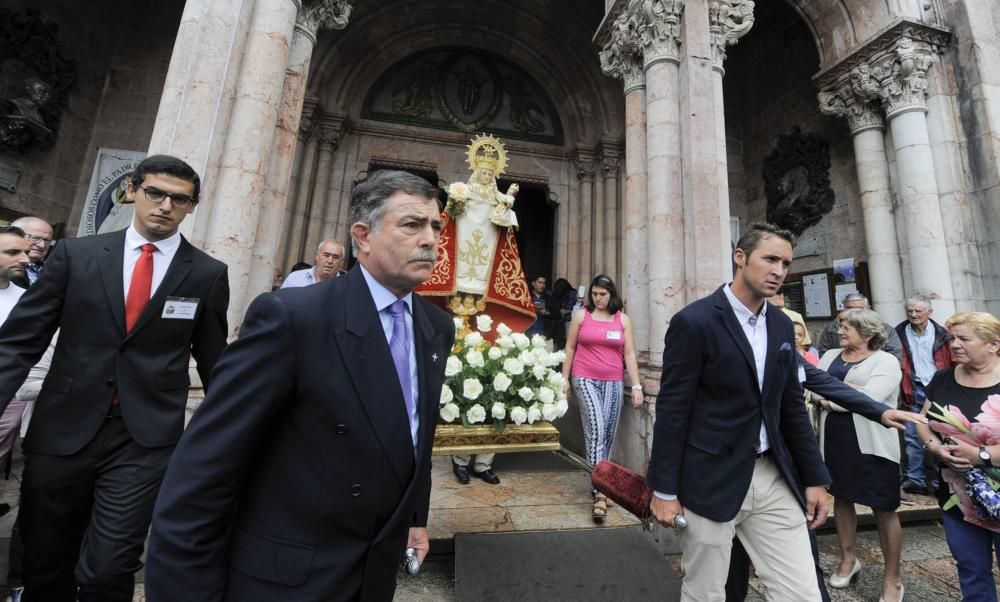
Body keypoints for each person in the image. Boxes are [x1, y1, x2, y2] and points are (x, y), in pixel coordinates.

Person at [145, 169, 455, 600]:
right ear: (362, 236)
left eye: (436, 226)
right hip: (288, 577)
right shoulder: (292, 317)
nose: (430, 239)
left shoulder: (437, 327)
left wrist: (415, 517)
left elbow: (415, 436)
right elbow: (206, 468)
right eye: (412, 225)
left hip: (372, 574)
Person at [0, 154, 229, 602]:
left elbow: (214, 360)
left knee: (109, 567)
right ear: (132, 191)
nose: (165, 205)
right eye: (155, 193)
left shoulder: (206, 274)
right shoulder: (75, 256)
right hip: (63, 429)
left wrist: (228, 434)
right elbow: (20, 343)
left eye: (178, 199)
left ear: (191, 207)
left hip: (143, 440)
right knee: (47, 561)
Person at [647, 222, 830, 600]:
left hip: (771, 474)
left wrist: (815, 477)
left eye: (786, 263)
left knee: (802, 593)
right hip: (711, 476)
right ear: (740, 257)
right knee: (707, 592)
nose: (779, 271)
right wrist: (663, 488)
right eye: (770, 259)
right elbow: (672, 410)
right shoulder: (694, 322)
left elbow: (790, 405)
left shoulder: (781, 325)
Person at [725, 351, 927, 602]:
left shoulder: (776, 328)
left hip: (779, 469)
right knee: (724, 570)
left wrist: (879, 411)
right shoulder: (702, 325)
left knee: (803, 572)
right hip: (723, 470)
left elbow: (815, 386)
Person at [814, 308, 903, 602]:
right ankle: (848, 559)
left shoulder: (886, 361)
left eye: (847, 327)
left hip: (873, 445)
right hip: (836, 442)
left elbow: (868, 400)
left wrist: (835, 395)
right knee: (842, 498)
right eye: (841, 325)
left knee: (884, 508)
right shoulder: (828, 358)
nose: (839, 331)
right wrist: (845, 392)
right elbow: (813, 392)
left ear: (867, 334)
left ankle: (893, 579)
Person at [915, 312, 1000, 601]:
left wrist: (981, 455)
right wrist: (933, 447)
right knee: (971, 570)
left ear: (994, 344)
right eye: (952, 338)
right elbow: (922, 421)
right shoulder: (943, 378)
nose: (954, 345)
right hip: (959, 497)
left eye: (964, 338)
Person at [416, 134, 536, 331]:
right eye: (484, 173)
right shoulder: (465, 191)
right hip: (465, 233)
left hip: (487, 239)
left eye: (490, 174)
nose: (487, 177)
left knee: (481, 270)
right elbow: (450, 214)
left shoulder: (494, 194)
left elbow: (506, 201)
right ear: (476, 171)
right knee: (461, 267)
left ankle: (474, 307)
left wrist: (509, 198)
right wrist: (455, 202)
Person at [562, 274, 642, 521]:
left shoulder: (622, 320)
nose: (598, 298)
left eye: (603, 294)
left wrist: (637, 385)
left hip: (614, 381)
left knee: (607, 434)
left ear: (611, 295)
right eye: (595, 294)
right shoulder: (581, 316)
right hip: (585, 378)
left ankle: (599, 480)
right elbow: (570, 347)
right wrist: (564, 378)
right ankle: (601, 491)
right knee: (596, 430)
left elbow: (628, 354)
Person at [896, 294, 952, 496]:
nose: (913, 314)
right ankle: (915, 478)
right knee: (911, 434)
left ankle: (940, 481)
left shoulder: (943, 335)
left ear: (930, 312)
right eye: (910, 311)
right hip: (912, 387)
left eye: (918, 311)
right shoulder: (899, 333)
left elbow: (951, 361)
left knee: (940, 432)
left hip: (937, 387)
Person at [816, 292, 902, 360]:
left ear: (868, 308)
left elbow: (895, 355)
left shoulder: (884, 328)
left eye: (859, 308)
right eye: (849, 308)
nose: (854, 312)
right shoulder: (831, 329)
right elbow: (824, 355)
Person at [280, 239, 345, 288]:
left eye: (335, 257)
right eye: (326, 255)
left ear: (341, 262)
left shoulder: (345, 287)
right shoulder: (295, 278)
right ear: (317, 256)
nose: (330, 261)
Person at [9, 216, 53, 288]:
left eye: (47, 240)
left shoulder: (53, 272)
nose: (42, 245)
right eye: (35, 238)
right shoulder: (3, 266)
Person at [548, 277, 577, 350]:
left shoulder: (572, 294)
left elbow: (578, 309)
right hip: (555, 323)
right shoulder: (553, 294)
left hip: (568, 323)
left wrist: (567, 311)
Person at [526, 274, 552, 338]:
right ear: (533, 283)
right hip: (528, 333)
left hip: (544, 334)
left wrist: (546, 312)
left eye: (544, 283)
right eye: (540, 282)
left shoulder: (549, 298)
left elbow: (557, 315)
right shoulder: (527, 297)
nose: (542, 285)